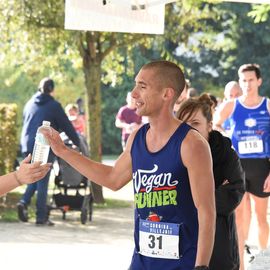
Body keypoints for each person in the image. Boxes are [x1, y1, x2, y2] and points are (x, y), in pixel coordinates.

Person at [43, 60, 216, 270]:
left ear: (167, 94)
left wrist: (201, 267)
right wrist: (63, 151)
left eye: (142, 86)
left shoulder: (192, 144)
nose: (134, 94)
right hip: (142, 261)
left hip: (184, 263)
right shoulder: (137, 138)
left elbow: (206, 211)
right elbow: (113, 178)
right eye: (135, 85)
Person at [176, 94, 245, 270]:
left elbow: (234, 192)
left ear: (209, 126)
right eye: (183, 124)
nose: (188, 130)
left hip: (219, 240)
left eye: (195, 123)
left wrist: (187, 198)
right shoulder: (172, 154)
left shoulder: (226, 154)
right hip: (180, 240)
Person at [214, 63, 270, 270]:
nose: (247, 84)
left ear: (259, 81)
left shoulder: (267, 105)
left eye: (251, 80)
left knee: (261, 218)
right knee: (240, 220)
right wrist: (227, 137)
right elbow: (215, 125)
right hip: (238, 167)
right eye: (243, 80)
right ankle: (241, 265)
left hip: (261, 168)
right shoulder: (232, 106)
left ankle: (264, 262)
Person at [17, 77, 80, 226]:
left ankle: (23, 201)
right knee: (43, 179)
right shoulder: (54, 105)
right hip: (43, 145)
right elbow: (67, 126)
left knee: (34, 176)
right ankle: (41, 217)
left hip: (27, 144)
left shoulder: (29, 103)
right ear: (52, 90)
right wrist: (77, 143)